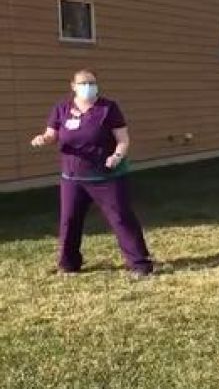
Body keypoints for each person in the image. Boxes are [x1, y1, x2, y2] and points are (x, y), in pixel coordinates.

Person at [29, 70, 153, 277]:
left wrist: (117, 155)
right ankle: (69, 264)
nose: (88, 86)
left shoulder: (108, 108)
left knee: (121, 218)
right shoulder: (62, 109)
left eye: (92, 83)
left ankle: (140, 264)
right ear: (73, 86)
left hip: (106, 177)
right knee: (69, 220)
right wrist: (43, 139)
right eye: (83, 83)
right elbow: (52, 134)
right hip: (72, 178)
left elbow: (123, 139)